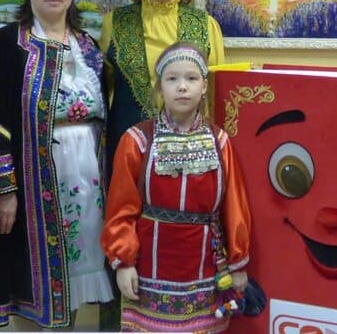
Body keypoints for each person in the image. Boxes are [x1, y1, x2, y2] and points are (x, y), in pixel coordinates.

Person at [0, 0, 113, 329]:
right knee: (30, 278)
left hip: (88, 174)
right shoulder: (5, 46)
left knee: (77, 267)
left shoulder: (88, 46)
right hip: (31, 180)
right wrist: (5, 189)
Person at [101, 42, 251, 333]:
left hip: (207, 266)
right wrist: (124, 262)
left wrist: (238, 263)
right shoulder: (137, 141)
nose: (182, 87)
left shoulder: (220, 142)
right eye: (172, 79)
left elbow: (235, 207)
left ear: (204, 86)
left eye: (191, 78)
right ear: (160, 87)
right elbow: (121, 207)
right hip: (149, 268)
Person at [99, 0, 225, 170]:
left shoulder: (204, 24)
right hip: (129, 148)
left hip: (192, 152)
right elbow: (103, 90)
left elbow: (215, 93)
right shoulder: (114, 22)